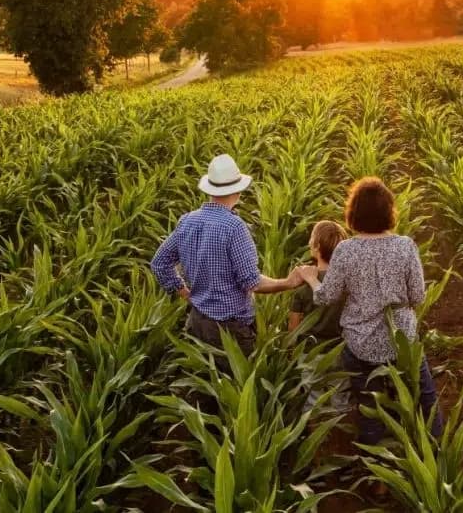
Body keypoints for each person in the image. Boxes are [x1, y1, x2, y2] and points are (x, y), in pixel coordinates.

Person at [297, 177, 444, 445]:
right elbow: (418, 296)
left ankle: (375, 470)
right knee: (426, 397)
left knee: (369, 407)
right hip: (402, 343)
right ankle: (435, 454)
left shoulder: (346, 250)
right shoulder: (405, 246)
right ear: (389, 212)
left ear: (353, 214)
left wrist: (311, 279)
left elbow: (326, 297)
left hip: (361, 345)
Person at [151, 154, 302, 356]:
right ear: (238, 191)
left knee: (204, 381)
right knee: (239, 384)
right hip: (231, 331)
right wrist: (288, 282)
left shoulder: (187, 221)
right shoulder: (234, 227)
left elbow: (159, 263)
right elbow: (252, 283)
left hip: (197, 322)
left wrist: (184, 292)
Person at [289, 220, 350, 411]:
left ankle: (318, 436)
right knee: (340, 397)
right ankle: (339, 436)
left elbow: (294, 329)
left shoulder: (303, 287)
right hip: (341, 350)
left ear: (315, 247)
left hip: (310, 353)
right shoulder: (347, 283)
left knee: (312, 399)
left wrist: (290, 353)